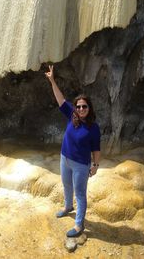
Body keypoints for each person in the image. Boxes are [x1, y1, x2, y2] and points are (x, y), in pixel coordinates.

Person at [45, 65, 100, 238]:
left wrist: (96, 165)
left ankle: (78, 225)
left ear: (89, 108)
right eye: (79, 106)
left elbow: (96, 149)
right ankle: (68, 206)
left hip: (81, 165)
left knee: (81, 193)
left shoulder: (93, 128)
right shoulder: (72, 115)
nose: (82, 109)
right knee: (67, 186)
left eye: (85, 107)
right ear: (75, 108)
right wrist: (52, 80)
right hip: (65, 159)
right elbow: (60, 99)